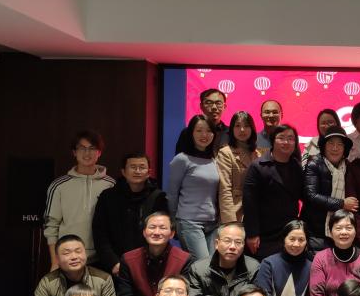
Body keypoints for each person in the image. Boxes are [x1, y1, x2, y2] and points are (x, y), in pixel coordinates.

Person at [44, 130, 115, 269]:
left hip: (102, 259)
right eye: (82, 148)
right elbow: (51, 226)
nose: (87, 153)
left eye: (92, 148)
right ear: (74, 152)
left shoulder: (111, 185)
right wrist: (55, 262)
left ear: (99, 153)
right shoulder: (59, 186)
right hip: (68, 257)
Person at [92, 151, 168, 277]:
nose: (137, 171)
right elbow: (100, 233)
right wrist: (113, 263)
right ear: (123, 171)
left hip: (149, 265)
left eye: (142, 167)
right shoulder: (108, 197)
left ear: (149, 172)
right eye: (133, 167)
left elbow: (161, 233)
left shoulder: (158, 198)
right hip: (115, 266)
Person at [115, 211, 192, 296]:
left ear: (172, 234)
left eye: (162, 228)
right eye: (152, 227)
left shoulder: (183, 260)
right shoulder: (129, 259)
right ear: (144, 232)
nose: (156, 232)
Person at [242, 124, 304, 259]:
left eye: (291, 138)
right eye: (281, 138)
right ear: (272, 140)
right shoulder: (258, 166)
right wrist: (252, 234)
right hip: (264, 234)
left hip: (288, 232)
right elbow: (249, 203)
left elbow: (304, 196)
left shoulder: (297, 166)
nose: (286, 142)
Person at [168, 114, 221, 262]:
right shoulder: (182, 159)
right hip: (189, 222)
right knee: (202, 266)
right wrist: (173, 222)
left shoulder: (214, 159)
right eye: (199, 130)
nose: (204, 135)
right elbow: (172, 194)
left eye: (209, 131)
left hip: (213, 223)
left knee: (213, 265)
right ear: (191, 133)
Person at [303, 127, 358, 251]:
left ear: (345, 148)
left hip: (341, 228)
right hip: (316, 230)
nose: (335, 148)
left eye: (339, 144)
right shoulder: (314, 164)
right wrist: (341, 204)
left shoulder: (348, 166)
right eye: (331, 144)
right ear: (324, 146)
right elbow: (311, 195)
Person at [216, 111, 261, 224]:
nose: (242, 130)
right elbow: (224, 189)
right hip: (235, 212)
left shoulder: (257, 154)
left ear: (252, 129)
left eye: (246, 126)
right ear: (231, 129)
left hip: (255, 212)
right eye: (237, 126)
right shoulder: (225, 152)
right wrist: (229, 220)